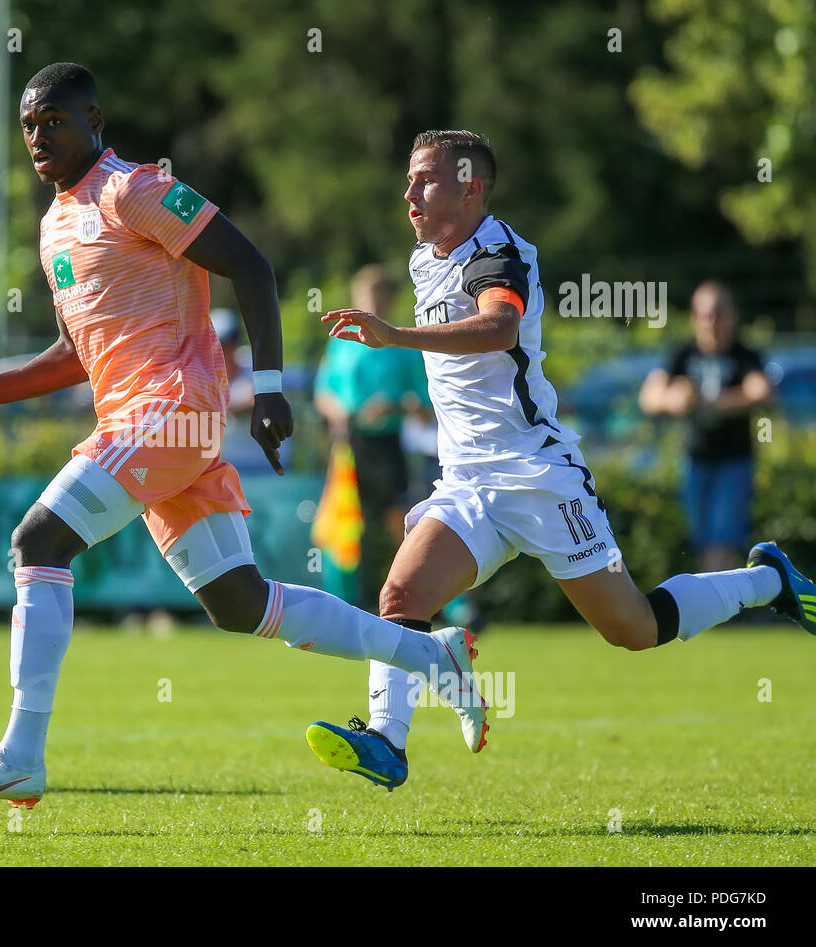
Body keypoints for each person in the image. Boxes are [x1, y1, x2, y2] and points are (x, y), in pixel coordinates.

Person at [0, 64, 487, 808]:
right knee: (239, 604)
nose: (41, 137)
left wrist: (270, 390)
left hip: (172, 410)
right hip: (142, 422)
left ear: (94, 120)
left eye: (56, 121)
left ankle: (20, 753)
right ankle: (431, 655)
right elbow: (74, 355)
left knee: (37, 543)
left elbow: (250, 263)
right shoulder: (56, 222)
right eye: (30, 126)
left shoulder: (134, 190)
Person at [308, 130, 816, 791]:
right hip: (467, 482)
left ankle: (769, 582)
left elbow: (499, 327)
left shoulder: (497, 252)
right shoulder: (424, 257)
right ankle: (386, 743)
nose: (408, 191)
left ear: (471, 187)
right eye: (409, 178)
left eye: (425, 179)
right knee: (401, 595)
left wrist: (396, 336)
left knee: (631, 629)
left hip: (539, 477)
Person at [314, 264, 429, 610]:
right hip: (349, 445)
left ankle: (425, 599)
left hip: (387, 446)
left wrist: (392, 408)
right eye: (366, 299)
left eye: (379, 299)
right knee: (347, 526)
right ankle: (342, 605)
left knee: (402, 524)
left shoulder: (401, 345)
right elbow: (323, 393)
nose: (373, 306)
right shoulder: (341, 344)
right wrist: (338, 412)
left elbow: (424, 406)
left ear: (390, 302)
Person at [639, 282, 773, 571]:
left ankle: (717, 606)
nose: (711, 322)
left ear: (732, 315)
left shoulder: (743, 354)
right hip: (695, 461)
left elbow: (761, 391)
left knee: (722, 540)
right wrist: (674, 399)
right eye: (704, 314)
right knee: (702, 541)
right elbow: (649, 397)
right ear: (694, 317)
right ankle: (724, 604)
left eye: (718, 313)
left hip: (735, 462)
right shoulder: (683, 354)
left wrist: (714, 404)